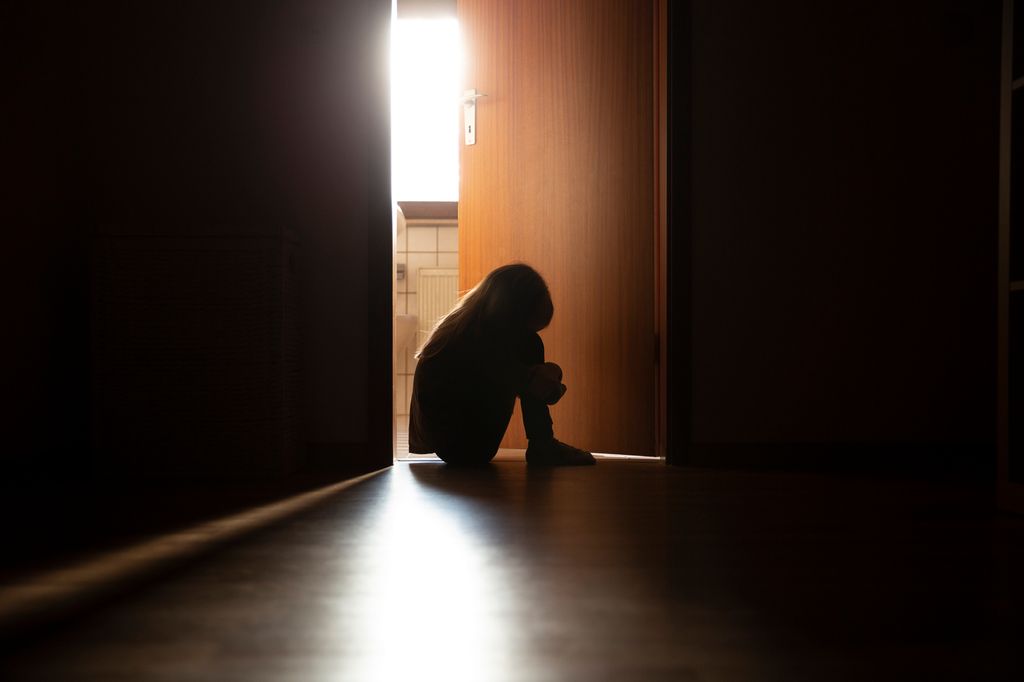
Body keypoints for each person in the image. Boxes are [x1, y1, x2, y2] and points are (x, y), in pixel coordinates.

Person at [408, 263, 595, 466]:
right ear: (511, 312)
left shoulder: (460, 329)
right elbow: (538, 386)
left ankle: (543, 444)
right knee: (531, 344)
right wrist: (542, 378)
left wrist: (536, 377)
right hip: (468, 450)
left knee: (529, 348)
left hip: (450, 445)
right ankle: (543, 444)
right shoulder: (479, 340)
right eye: (524, 326)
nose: (524, 334)